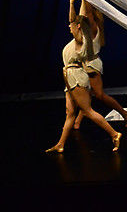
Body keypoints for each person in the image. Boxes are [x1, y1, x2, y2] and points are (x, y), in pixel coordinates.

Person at [46, 14, 122, 152]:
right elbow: (72, 20)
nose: (69, 25)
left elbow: (73, 20)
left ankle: (114, 134)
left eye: (72, 24)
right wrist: (71, 4)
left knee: (88, 111)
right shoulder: (77, 39)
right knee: (70, 113)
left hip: (76, 77)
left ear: (79, 26)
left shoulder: (80, 39)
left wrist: (73, 4)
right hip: (69, 77)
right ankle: (60, 144)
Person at [70, 0, 127, 129]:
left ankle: (124, 113)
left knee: (99, 95)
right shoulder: (89, 25)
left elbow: (84, 16)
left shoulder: (92, 26)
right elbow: (80, 17)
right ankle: (78, 121)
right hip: (86, 63)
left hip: (92, 64)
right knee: (86, 94)